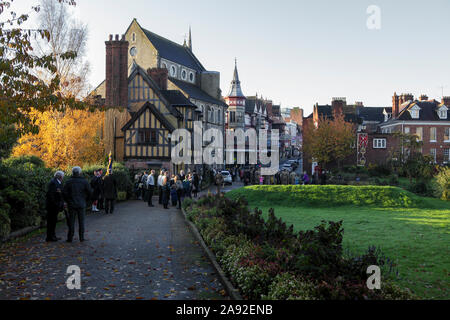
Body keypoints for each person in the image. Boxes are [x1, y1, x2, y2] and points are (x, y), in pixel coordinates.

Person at [63, 167, 92, 242]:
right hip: (81, 203)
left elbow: (64, 193)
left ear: (72, 172)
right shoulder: (84, 181)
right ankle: (81, 238)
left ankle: (70, 238)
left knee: (71, 221)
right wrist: (85, 200)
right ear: (79, 173)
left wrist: (68, 200)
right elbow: (89, 192)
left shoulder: (68, 181)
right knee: (81, 221)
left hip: (72, 204)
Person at [45, 171, 65, 242]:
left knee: (53, 221)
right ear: (60, 177)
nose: (63, 178)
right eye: (63, 176)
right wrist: (56, 204)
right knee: (51, 221)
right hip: (52, 206)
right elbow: (51, 195)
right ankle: (50, 237)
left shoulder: (56, 182)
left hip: (55, 205)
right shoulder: (53, 183)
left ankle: (53, 236)